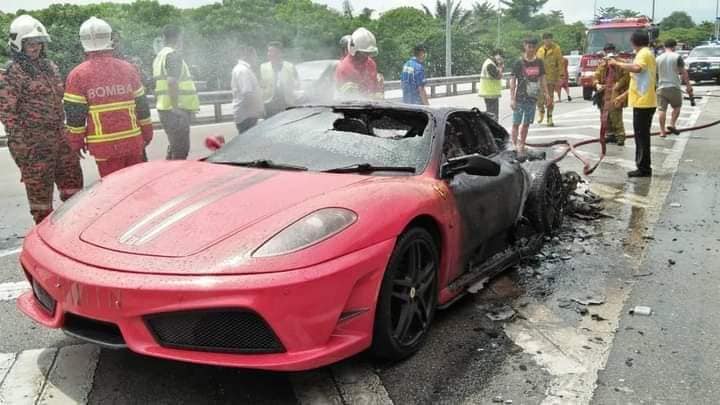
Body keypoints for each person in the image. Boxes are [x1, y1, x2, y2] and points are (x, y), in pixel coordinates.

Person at [0, 15, 83, 224]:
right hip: (34, 145)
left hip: (59, 137)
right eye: (30, 43)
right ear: (19, 43)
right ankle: (45, 243)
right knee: (41, 204)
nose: (35, 47)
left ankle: (73, 234)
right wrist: (23, 151)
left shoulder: (50, 67)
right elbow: (7, 114)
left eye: (38, 43)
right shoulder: (12, 72)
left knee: (75, 193)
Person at [64, 17, 153, 178]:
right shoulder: (128, 68)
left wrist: (76, 142)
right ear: (110, 38)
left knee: (115, 189)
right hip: (133, 141)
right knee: (137, 187)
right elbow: (142, 106)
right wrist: (147, 133)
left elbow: (75, 116)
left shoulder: (77, 74)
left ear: (83, 42)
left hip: (104, 147)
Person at [609, 30, 657, 178]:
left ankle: (643, 169)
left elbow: (637, 68)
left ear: (633, 42)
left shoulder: (643, 53)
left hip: (644, 103)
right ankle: (642, 166)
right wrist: (623, 96)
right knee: (641, 136)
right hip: (643, 101)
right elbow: (639, 81)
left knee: (641, 137)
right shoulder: (645, 53)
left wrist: (616, 63)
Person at [152, 24, 199, 160]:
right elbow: (172, 82)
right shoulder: (173, 55)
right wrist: (176, 108)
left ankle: (169, 175)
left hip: (165, 109)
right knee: (180, 152)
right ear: (179, 37)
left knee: (175, 148)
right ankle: (174, 179)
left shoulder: (159, 56)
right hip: (175, 112)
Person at [510, 37, 551, 158]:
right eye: (529, 46)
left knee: (526, 123)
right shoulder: (518, 62)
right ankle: (514, 145)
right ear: (524, 46)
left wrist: (546, 93)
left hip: (532, 98)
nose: (531, 49)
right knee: (516, 123)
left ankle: (522, 144)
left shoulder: (539, 62)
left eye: (533, 46)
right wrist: (512, 98)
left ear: (535, 47)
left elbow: (543, 78)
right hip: (519, 98)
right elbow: (512, 81)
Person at [593, 43, 630, 145]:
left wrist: (618, 84)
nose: (609, 53)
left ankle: (620, 136)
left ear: (614, 51)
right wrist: (597, 84)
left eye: (611, 50)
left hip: (615, 92)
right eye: (607, 51)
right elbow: (596, 75)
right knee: (605, 115)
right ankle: (610, 134)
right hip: (604, 93)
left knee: (615, 114)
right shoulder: (603, 64)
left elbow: (627, 76)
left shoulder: (621, 62)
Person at [655, 38, 693, 137]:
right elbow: (684, 72)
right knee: (677, 107)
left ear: (664, 46)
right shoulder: (677, 57)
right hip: (674, 87)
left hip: (661, 87)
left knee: (661, 110)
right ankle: (672, 124)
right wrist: (688, 86)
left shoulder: (658, 58)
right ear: (674, 46)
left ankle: (662, 131)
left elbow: (655, 74)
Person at [335, 27, 382, 100]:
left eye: (369, 53)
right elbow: (339, 97)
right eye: (364, 53)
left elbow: (375, 88)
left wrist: (379, 91)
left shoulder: (371, 63)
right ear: (354, 50)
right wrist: (344, 94)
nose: (367, 56)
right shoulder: (344, 68)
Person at [260, 41, 299, 117]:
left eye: (272, 51)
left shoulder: (290, 67)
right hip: (269, 105)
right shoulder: (263, 67)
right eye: (268, 51)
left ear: (280, 53)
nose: (269, 54)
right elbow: (260, 86)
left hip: (287, 104)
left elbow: (297, 84)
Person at [231, 45, 264, 134]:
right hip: (247, 116)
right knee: (248, 144)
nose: (256, 59)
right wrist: (259, 110)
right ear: (249, 56)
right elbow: (247, 94)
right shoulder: (243, 71)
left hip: (246, 115)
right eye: (255, 56)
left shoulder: (243, 69)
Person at [535, 33, 563, 126]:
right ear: (543, 40)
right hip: (540, 78)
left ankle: (549, 117)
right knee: (539, 98)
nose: (548, 41)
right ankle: (541, 110)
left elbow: (560, 63)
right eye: (546, 39)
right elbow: (536, 63)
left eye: (549, 39)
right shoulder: (540, 50)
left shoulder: (556, 49)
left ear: (552, 39)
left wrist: (561, 77)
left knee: (550, 98)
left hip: (551, 77)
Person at [478, 49, 504, 119]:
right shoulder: (490, 64)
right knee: (493, 115)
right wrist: (500, 66)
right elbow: (498, 76)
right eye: (500, 56)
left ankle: (491, 126)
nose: (501, 58)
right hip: (490, 93)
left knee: (491, 113)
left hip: (490, 92)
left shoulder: (491, 63)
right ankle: (493, 128)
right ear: (496, 55)